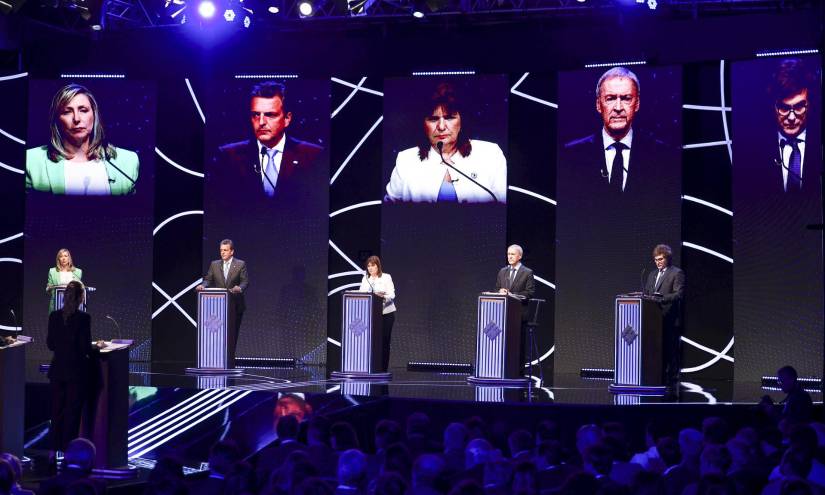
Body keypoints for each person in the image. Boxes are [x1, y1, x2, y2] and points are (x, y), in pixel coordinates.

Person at [385, 82, 506, 204]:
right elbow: (389, 212)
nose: (441, 127)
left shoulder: (491, 154)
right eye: (433, 119)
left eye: (449, 118)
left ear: (461, 121)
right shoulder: (406, 160)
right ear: (423, 124)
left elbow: (504, 209)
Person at [214, 81, 323, 199]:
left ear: (287, 119)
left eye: (270, 115)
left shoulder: (312, 155)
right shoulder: (229, 156)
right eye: (256, 115)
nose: (261, 122)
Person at [26, 83, 139, 196]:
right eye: (67, 112)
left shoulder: (127, 161)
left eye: (83, 110)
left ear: (94, 116)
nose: (76, 118)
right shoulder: (31, 161)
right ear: (56, 120)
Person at [46, 281, 103, 453]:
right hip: (75, 374)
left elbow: (50, 344)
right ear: (80, 298)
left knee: (56, 415)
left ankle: (51, 455)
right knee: (72, 416)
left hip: (56, 372)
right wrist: (96, 346)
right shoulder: (84, 318)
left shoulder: (54, 316)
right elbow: (85, 347)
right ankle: (67, 456)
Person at [196, 239, 248, 366]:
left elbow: (245, 281)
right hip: (218, 307)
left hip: (235, 305)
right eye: (221, 250)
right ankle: (216, 360)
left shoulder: (240, 264)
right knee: (218, 333)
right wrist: (203, 285)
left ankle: (230, 361)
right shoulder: (214, 264)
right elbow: (208, 279)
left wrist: (239, 288)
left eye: (225, 250)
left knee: (232, 334)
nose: (222, 253)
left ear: (232, 251)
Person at [770, 59, 816, 192]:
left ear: (810, 104)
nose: (791, 117)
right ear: (774, 106)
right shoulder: (753, 149)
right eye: (784, 108)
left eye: (800, 106)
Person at [643, 244, 685, 388]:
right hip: (653, 320)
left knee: (670, 350)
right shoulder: (652, 274)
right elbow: (647, 294)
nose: (658, 262)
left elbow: (678, 295)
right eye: (656, 260)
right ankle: (656, 378)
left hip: (669, 319)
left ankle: (672, 383)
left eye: (661, 259)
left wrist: (661, 298)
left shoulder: (676, 273)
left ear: (667, 258)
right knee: (655, 350)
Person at [358, 256, 396, 372]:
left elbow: (392, 295)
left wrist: (382, 296)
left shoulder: (386, 277)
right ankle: (372, 367)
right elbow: (361, 294)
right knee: (371, 342)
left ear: (378, 266)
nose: (370, 268)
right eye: (368, 266)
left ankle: (383, 368)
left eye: (373, 265)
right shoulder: (366, 279)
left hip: (386, 314)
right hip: (371, 316)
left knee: (384, 341)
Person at [46, 248, 83, 313]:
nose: (63, 258)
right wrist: (49, 288)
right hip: (57, 304)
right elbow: (48, 289)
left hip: (73, 304)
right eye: (61, 256)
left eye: (65, 256)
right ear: (58, 259)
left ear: (69, 258)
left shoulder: (77, 272)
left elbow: (80, 287)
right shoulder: (52, 271)